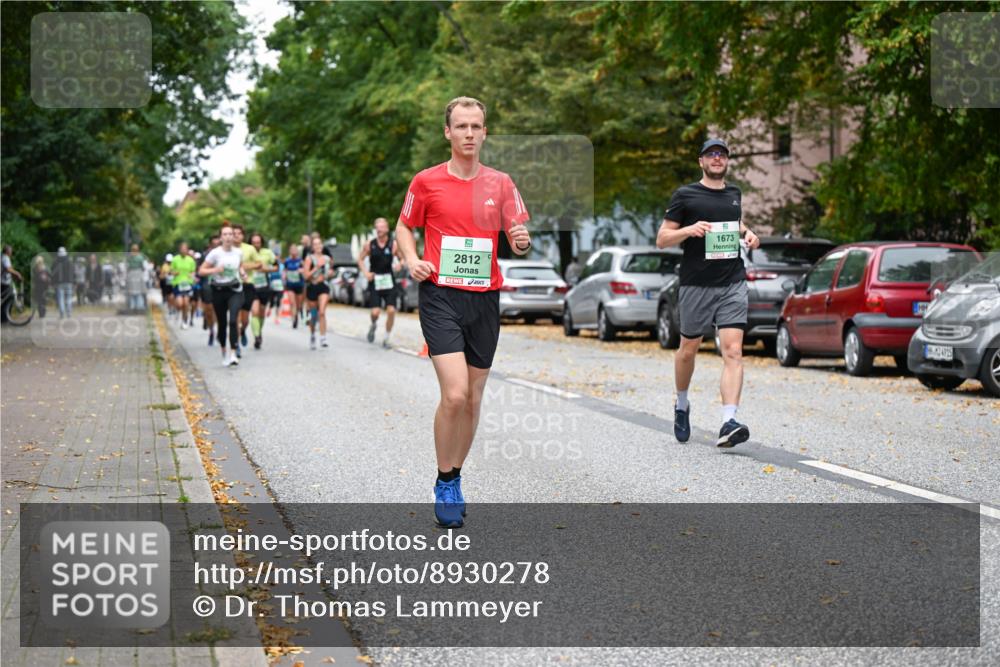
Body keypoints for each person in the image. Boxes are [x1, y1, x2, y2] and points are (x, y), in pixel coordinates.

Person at [395, 96, 532, 528]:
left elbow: (518, 235)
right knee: (454, 394)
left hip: (484, 300)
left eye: (477, 126)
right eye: (462, 126)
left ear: (485, 132)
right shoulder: (426, 182)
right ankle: (444, 479)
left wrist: (522, 241)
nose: (469, 133)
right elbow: (404, 226)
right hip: (440, 296)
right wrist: (411, 259)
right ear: (448, 132)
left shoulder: (502, 183)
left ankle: (455, 475)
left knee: (472, 399)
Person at [655, 138, 760, 447]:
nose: (717, 158)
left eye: (722, 154)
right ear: (701, 161)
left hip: (732, 281)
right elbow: (662, 239)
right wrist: (689, 230)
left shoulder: (733, 194)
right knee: (689, 348)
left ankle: (729, 420)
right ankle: (682, 403)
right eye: (711, 154)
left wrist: (749, 233)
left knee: (733, 351)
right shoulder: (685, 195)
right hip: (695, 283)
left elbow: (736, 223)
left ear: (726, 162)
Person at [199, 222, 245, 367]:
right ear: (220, 237)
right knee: (222, 323)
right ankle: (224, 351)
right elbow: (201, 271)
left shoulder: (238, 252)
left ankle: (233, 353)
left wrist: (242, 272)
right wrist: (215, 270)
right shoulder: (215, 253)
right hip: (218, 291)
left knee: (233, 321)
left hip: (235, 290)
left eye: (230, 234)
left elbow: (240, 265)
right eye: (225, 234)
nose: (228, 237)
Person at [358, 217, 405, 348]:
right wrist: (366, 273)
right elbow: (360, 260)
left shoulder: (393, 244)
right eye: (377, 226)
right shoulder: (369, 244)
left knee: (391, 311)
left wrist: (400, 265)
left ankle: (386, 338)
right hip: (375, 281)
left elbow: (402, 259)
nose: (379, 229)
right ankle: (373, 324)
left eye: (381, 226)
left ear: (387, 229)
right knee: (375, 312)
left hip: (389, 280)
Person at [233, 224, 261, 355]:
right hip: (233, 285)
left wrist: (245, 266)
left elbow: (259, 264)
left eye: (239, 233)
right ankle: (236, 344)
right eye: (234, 233)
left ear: (243, 236)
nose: (236, 235)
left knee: (245, 320)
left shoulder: (249, 249)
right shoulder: (228, 249)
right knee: (236, 317)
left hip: (248, 285)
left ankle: (243, 330)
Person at [247, 232, 278, 350]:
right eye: (253, 243)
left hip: (264, 286)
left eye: (258, 242)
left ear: (261, 243)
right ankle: (257, 336)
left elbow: (276, 267)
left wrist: (266, 269)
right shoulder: (247, 252)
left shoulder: (268, 253)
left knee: (261, 312)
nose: (256, 245)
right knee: (254, 311)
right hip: (251, 286)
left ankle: (259, 331)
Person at [303, 235, 332, 350]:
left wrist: (329, 273)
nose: (318, 246)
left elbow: (330, 271)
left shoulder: (327, 258)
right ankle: (312, 335)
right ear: (312, 247)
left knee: (322, 312)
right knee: (314, 315)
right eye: (315, 244)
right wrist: (316, 267)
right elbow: (306, 276)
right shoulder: (309, 258)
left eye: (320, 244)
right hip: (312, 286)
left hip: (323, 286)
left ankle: (323, 337)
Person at [199, 235, 220, 345]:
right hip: (207, 285)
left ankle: (215, 329)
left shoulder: (225, 255)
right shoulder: (205, 256)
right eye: (214, 244)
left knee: (217, 310)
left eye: (218, 244)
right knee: (209, 310)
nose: (216, 246)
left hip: (220, 285)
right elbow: (199, 271)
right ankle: (211, 329)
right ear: (210, 245)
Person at [170, 242, 197, 328]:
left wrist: (192, 275)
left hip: (187, 284)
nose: (184, 250)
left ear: (187, 250)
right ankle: (178, 312)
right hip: (178, 283)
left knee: (186, 303)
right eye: (182, 249)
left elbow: (193, 271)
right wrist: (175, 273)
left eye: (185, 249)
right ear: (179, 250)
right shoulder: (175, 259)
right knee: (180, 304)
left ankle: (184, 320)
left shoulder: (191, 260)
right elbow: (171, 271)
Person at [283, 243, 306, 328]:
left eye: (294, 250)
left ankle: (298, 312)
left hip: (299, 284)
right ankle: (294, 319)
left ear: (297, 251)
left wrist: (302, 271)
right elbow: (284, 270)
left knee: (299, 304)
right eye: (291, 250)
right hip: (290, 284)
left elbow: (305, 270)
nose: (293, 251)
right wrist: (284, 275)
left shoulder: (300, 261)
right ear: (290, 251)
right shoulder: (287, 261)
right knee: (292, 303)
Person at [1, 245, 24, 321]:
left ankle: (4, 317)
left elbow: (8, 269)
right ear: (7, 251)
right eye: (11, 251)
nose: (11, 252)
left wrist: (14, 275)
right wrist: (17, 274)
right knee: (9, 298)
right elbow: (8, 269)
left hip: (4, 281)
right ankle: (5, 318)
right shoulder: (5, 258)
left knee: (5, 299)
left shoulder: (2, 257)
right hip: (3, 282)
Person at [52, 248, 75, 318]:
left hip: (59, 283)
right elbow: (73, 272)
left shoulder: (55, 262)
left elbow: (53, 273)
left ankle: (62, 313)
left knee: (61, 298)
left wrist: (53, 282)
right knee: (69, 297)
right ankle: (69, 312)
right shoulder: (69, 262)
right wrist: (74, 281)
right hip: (69, 282)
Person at [125, 243, 148, 311]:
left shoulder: (129, 257)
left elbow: (127, 267)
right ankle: (139, 306)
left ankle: (132, 306)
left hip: (131, 274)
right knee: (139, 291)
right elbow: (143, 267)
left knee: (132, 292)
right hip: (138, 273)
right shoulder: (140, 257)